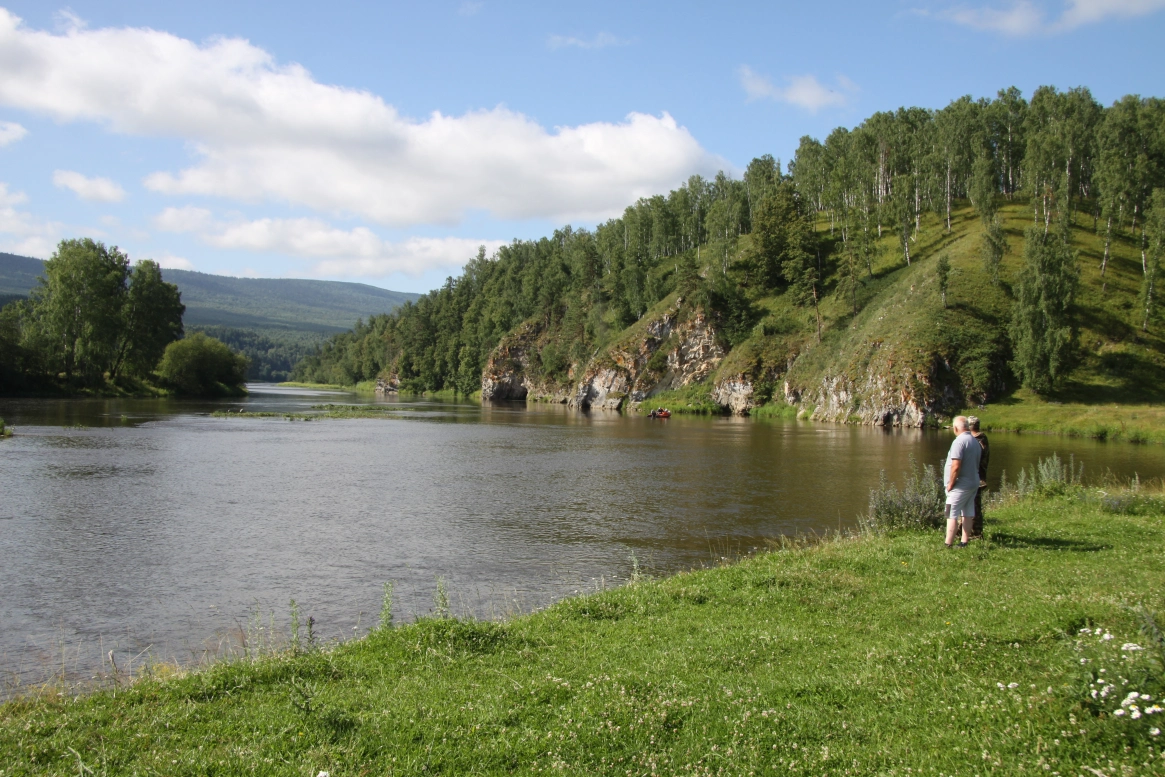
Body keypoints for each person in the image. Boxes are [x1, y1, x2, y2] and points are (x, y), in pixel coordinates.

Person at [943, 415, 981, 548]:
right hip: (973, 482)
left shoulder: (959, 442)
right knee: (968, 512)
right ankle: (964, 542)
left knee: (950, 512)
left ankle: (948, 543)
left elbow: (956, 465)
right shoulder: (975, 441)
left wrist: (951, 483)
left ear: (955, 428)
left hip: (960, 484)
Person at [967, 415, 990, 539]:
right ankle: (975, 532)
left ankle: (974, 534)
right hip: (979, 478)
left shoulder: (976, 441)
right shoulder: (983, 439)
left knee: (972, 507)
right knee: (976, 507)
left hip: (974, 478)